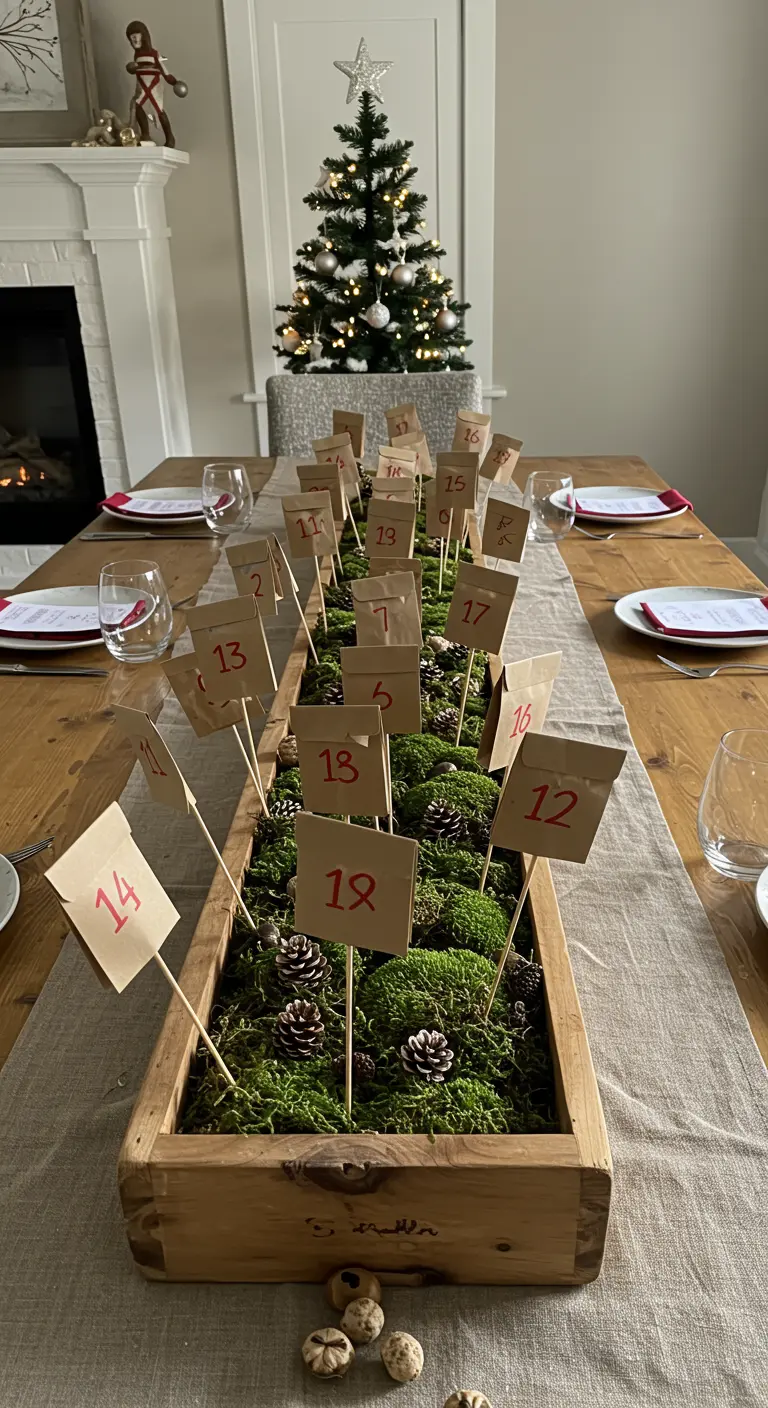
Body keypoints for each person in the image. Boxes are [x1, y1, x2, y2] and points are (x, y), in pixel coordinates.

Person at [125, 19, 181, 148]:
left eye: (136, 36)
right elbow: (135, 69)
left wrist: (173, 82)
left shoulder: (154, 54)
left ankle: (170, 138)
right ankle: (145, 134)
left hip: (154, 85)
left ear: (143, 36)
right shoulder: (136, 55)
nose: (134, 40)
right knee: (138, 107)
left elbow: (164, 71)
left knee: (158, 110)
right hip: (142, 86)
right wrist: (132, 68)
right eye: (131, 37)